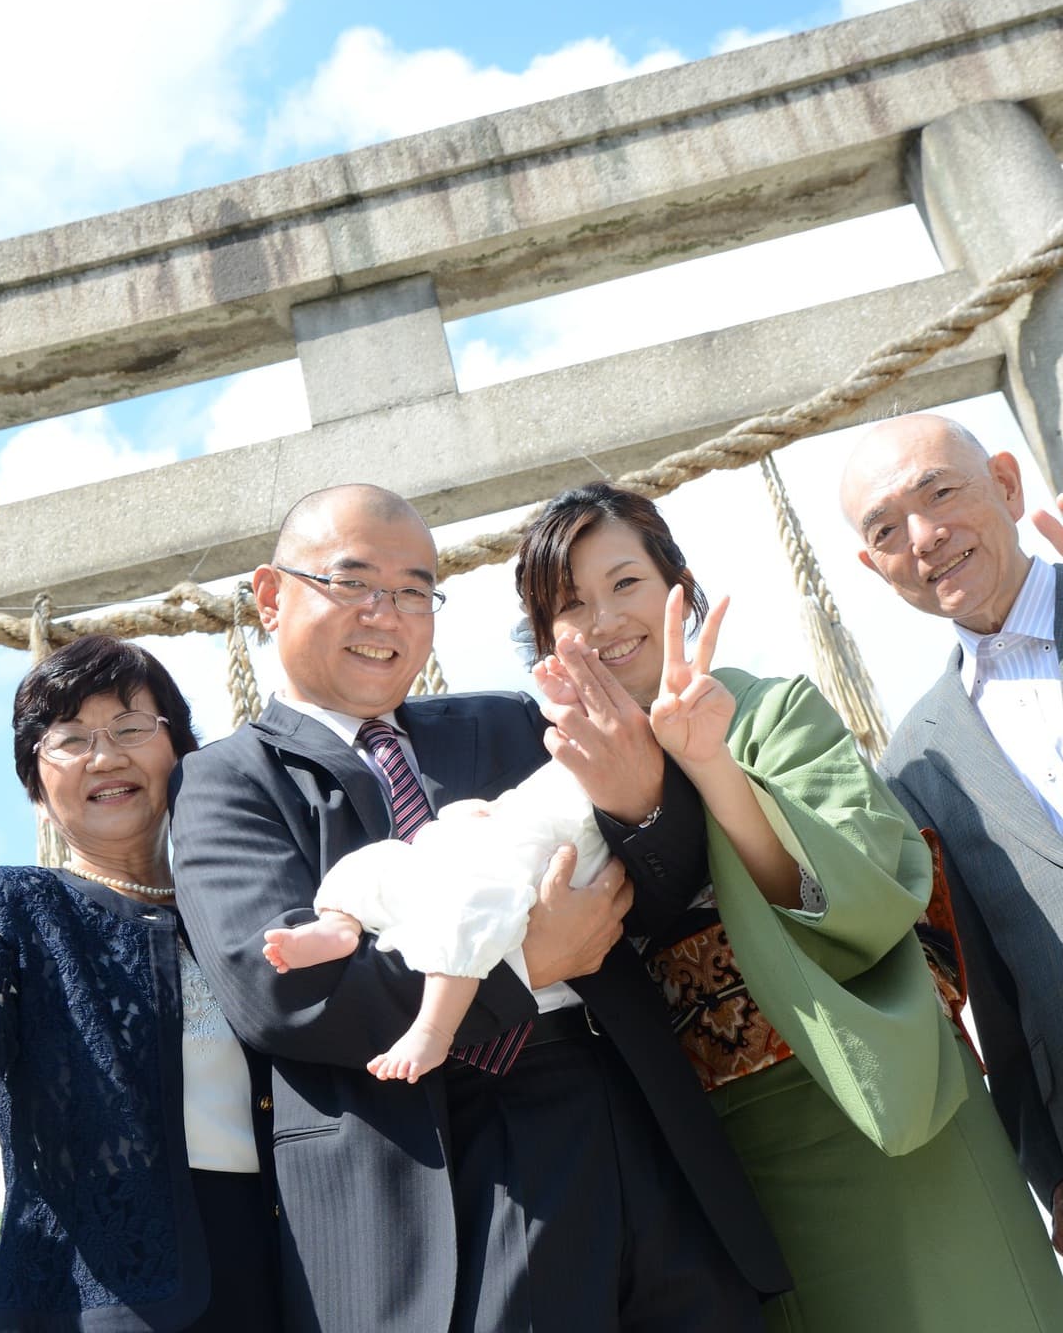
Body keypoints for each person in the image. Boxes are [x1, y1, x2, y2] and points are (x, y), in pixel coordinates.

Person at [170, 483, 789, 1333]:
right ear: (272, 597)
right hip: (443, 1157)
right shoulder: (224, 781)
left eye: (416, 590)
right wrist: (526, 964)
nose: (387, 615)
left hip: (631, 1108)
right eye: (354, 584)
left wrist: (645, 797)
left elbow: (662, 881)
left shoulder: (508, 722)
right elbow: (278, 992)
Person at [514, 481, 1063, 1331]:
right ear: (546, 640)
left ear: (677, 591)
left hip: (873, 1095)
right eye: (569, 604)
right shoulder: (549, 787)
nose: (604, 618)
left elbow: (863, 893)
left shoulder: (771, 708)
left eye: (626, 583)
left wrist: (715, 768)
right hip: (710, 1158)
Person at [0, 634, 280, 1333]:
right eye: (70, 739)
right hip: (99, 1300)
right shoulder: (14, 904)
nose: (105, 755)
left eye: (131, 727)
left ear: (181, 752)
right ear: (36, 785)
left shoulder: (248, 901)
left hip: (288, 1272)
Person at [840, 410, 1063, 1252]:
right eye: (888, 529)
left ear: (1005, 484)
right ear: (874, 566)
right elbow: (992, 992)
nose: (925, 537)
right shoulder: (915, 761)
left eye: (941, 493)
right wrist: (1050, 1171)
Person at [263, 754, 609, 1083]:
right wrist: (477, 813)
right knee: (372, 863)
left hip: (497, 886)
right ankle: (338, 925)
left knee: (466, 923)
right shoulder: (555, 768)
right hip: (442, 858)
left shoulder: (596, 796)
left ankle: (433, 1029)